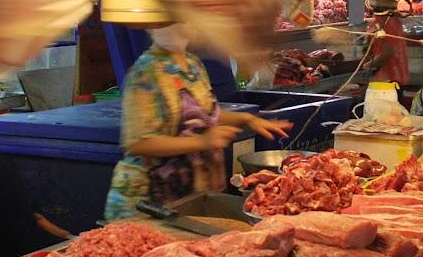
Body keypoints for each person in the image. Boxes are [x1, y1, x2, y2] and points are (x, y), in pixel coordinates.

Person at [105, 25, 292, 222]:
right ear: (152, 26)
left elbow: (206, 113)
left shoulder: (192, 63)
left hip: (189, 197)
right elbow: (138, 143)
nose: (178, 26)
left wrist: (247, 119)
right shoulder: (144, 73)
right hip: (148, 205)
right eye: (169, 20)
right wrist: (203, 141)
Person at [363, 0, 410, 89]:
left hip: (388, 79)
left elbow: (388, 52)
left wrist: (365, 67)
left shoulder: (386, 22)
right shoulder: (390, 20)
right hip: (393, 77)